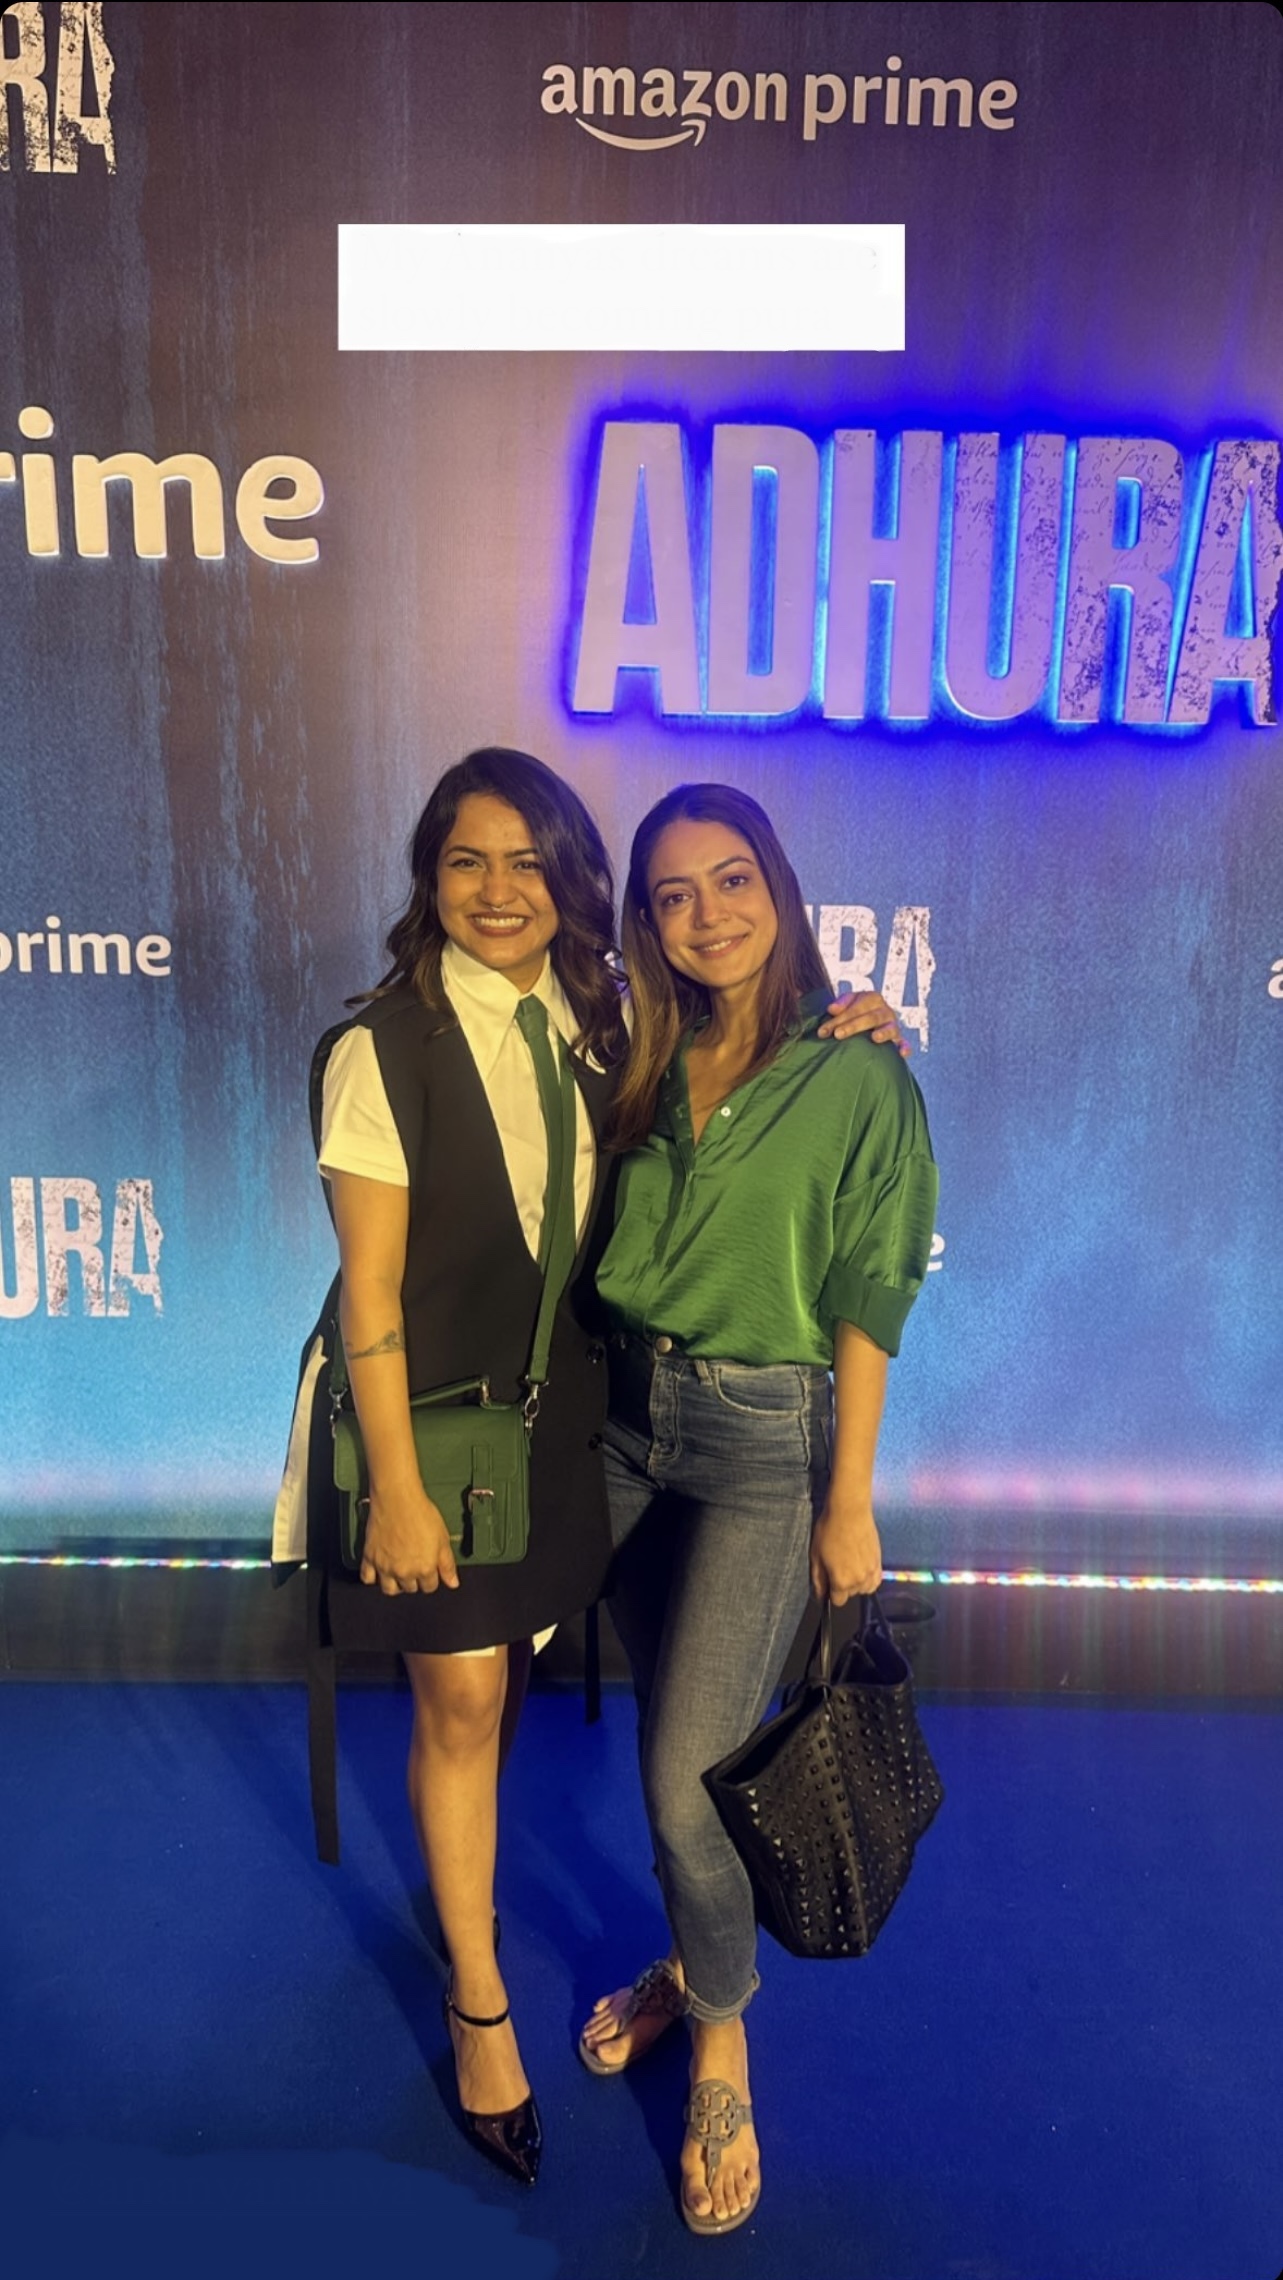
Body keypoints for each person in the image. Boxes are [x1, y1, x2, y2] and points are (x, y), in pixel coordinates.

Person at [291, 748, 904, 2190]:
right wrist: (395, 1487)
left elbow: (842, 1237)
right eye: (466, 861)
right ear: (429, 878)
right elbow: (368, 1287)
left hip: (629, 1432)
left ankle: (678, 2006)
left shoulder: (609, 1023)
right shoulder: (394, 1045)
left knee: (614, 1744)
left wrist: (854, 1022)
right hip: (460, 1437)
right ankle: (481, 2000)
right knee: (467, 1702)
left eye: (529, 862)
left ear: (570, 882)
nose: (499, 891)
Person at [578, 783, 938, 2236]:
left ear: (779, 889)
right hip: (619, 1422)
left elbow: (871, 1290)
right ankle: (691, 1958)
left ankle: (721, 2033)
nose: (706, 913)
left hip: (760, 1442)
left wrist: (848, 1500)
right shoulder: (637, 1052)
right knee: (664, 1722)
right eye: (673, 894)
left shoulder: (857, 1072)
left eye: (732, 880)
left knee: (688, 1782)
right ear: (646, 921)